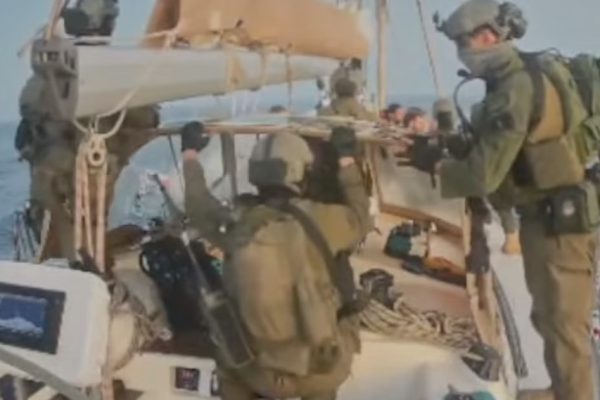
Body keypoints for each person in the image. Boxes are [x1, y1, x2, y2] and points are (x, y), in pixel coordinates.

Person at [408, 1, 599, 399]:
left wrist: (436, 165)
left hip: (556, 225)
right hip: (550, 217)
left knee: (564, 324)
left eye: (463, 43)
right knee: (550, 317)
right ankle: (562, 388)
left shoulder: (514, 90)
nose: (461, 53)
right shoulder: (526, 71)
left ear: (488, 37)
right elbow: (505, 149)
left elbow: (483, 175)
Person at [181, 122, 371, 400]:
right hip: (318, 373)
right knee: (344, 317)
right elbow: (361, 217)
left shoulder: (236, 224)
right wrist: (346, 159)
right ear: (300, 172)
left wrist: (190, 154)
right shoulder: (325, 219)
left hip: (256, 372)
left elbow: (197, 205)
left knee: (227, 364)